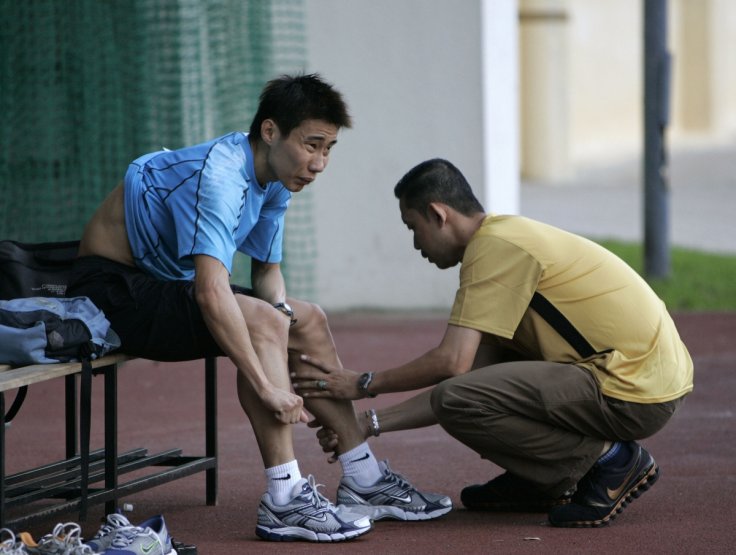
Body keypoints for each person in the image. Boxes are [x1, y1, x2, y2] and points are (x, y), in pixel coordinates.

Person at [67, 76, 451, 544]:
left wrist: (287, 328)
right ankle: (284, 499)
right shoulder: (222, 176)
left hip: (165, 282)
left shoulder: (275, 181)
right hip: (109, 289)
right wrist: (268, 385)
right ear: (270, 132)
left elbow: (269, 276)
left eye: (329, 149)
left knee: (307, 319)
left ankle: (362, 476)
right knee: (266, 321)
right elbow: (212, 292)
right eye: (312, 145)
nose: (320, 163)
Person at [291, 157, 694, 528]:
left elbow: (451, 366)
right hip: (645, 378)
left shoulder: (495, 249)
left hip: (632, 385)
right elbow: (469, 374)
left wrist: (363, 383)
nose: (416, 245)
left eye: (414, 228)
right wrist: (367, 425)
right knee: (474, 389)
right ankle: (543, 480)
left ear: (438, 214)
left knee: (461, 400)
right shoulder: (504, 239)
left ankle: (609, 460)